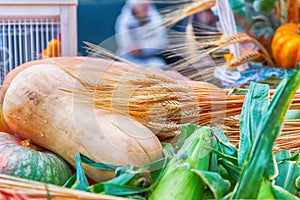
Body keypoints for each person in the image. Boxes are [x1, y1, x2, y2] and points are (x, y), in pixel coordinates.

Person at [115, 0, 169, 68]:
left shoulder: (156, 20)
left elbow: (161, 42)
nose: (145, 8)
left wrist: (142, 49)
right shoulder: (123, 20)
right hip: (129, 58)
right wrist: (131, 48)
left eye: (148, 5)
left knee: (159, 65)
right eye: (142, 5)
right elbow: (122, 41)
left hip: (151, 58)